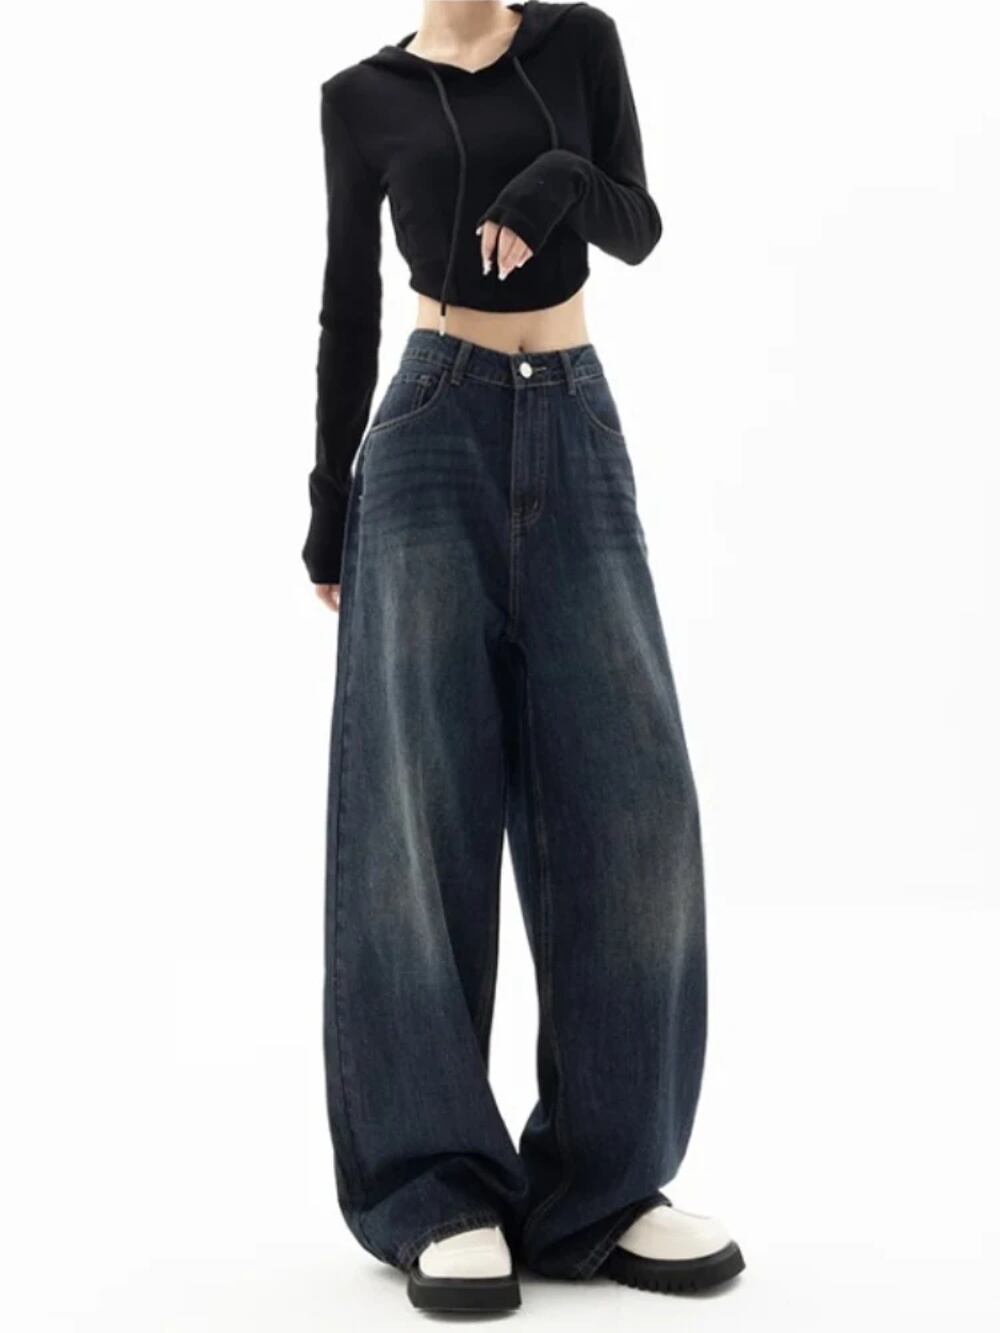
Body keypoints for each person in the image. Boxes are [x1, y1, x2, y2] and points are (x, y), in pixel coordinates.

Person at [302, 1, 745, 1313]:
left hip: (577, 419)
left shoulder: (578, 41)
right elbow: (346, 306)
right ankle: (432, 1185)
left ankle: (604, 1187)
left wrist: (556, 176)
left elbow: (637, 224)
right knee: (415, 820)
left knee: (631, 801)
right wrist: (329, 505)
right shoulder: (360, 97)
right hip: (429, 429)